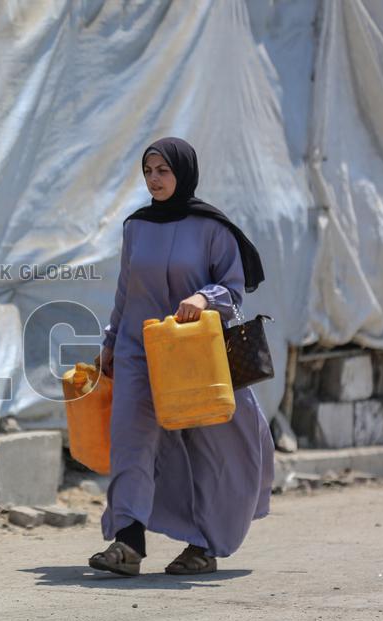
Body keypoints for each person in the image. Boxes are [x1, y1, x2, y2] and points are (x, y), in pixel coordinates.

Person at [88, 137, 275, 576]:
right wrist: (112, 343)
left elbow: (232, 291)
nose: (154, 179)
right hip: (138, 348)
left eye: (163, 171)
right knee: (131, 440)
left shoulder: (212, 227)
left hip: (193, 354)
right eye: (148, 171)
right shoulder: (136, 226)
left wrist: (203, 297)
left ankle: (202, 544)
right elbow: (125, 289)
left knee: (204, 448)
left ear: (183, 173)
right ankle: (127, 542)